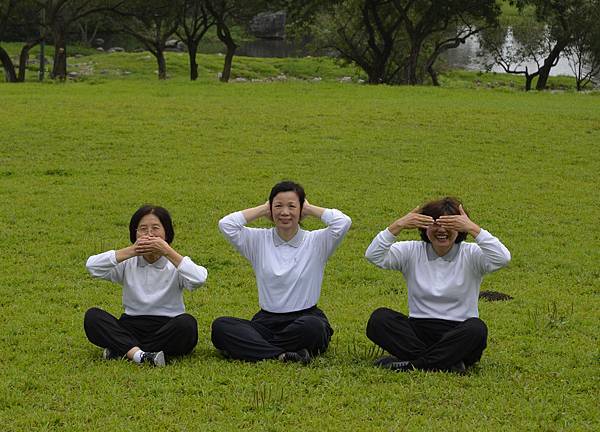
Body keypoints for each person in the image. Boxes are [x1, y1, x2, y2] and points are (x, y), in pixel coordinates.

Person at [364, 197, 510, 373]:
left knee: (476, 329)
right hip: (418, 330)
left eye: (449, 224)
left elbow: (503, 258)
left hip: (458, 332)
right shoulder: (411, 251)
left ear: (459, 228)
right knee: (379, 319)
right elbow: (374, 255)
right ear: (424, 227)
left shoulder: (471, 254)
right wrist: (399, 225)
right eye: (435, 224)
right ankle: (447, 363)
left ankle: (413, 365)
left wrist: (473, 228)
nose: (441, 230)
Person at [211, 181, 352, 364]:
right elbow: (226, 224)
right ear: (270, 209)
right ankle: (283, 355)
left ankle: (256, 348)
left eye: (292, 206)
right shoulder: (258, 240)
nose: (284, 212)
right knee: (221, 327)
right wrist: (263, 208)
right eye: (278, 206)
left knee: (314, 328)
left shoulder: (317, 241)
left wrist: (309, 208)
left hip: (305, 318)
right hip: (266, 321)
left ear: (301, 210)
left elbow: (343, 222)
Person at [84, 205, 208, 367]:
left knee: (187, 324)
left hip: (167, 326)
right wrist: (132, 251)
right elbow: (92, 267)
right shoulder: (128, 261)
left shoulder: (176, 263)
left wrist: (168, 252)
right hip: (131, 325)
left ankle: (124, 350)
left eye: (156, 228)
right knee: (93, 317)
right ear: (134, 233)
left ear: (166, 233)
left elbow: (199, 279)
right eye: (143, 229)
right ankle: (141, 354)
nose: (149, 234)